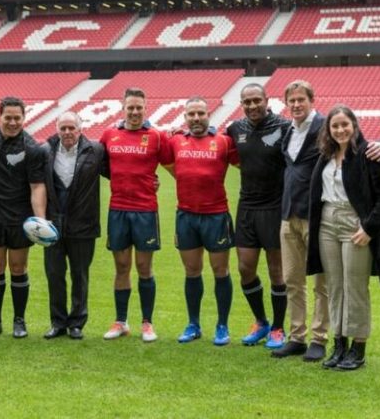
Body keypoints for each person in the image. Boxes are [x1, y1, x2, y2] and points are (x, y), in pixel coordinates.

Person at [273, 81, 380, 361]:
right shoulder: (288, 130)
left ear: (312, 100)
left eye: (302, 99)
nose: (297, 105)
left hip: (319, 217)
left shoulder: (327, 126)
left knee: (327, 283)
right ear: (286, 103)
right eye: (292, 101)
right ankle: (297, 336)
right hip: (291, 215)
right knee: (292, 280)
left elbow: (357, 144)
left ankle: (320, 338)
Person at [307, 105, 380, 371]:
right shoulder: (325, 154)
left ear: (354, 125)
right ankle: (339, 344)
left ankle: (358, 348)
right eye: (334, 126)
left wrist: (369, 228)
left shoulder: (369, 153)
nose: (340, 130)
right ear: (328, 129)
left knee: (355, 287)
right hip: (327, 222)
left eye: (344, 125)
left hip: (355, 224)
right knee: (335, 287)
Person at [164, 97, 239, 346]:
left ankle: (222, 325)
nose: (196, 118)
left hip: (216, 216)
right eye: (191, 114)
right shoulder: (175, 141)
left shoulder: (224, 142)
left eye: (200, 113)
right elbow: (161, 162)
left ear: (209, 114)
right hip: (186, 216)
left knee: (220, 271)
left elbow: (250, 165)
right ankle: (193, 324)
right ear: (185, 117)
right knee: (192, 271)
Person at [99, 87, 170, 342]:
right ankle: (121, 322)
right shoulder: (109, 135)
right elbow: (102, 166)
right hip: (117, 209)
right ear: (123, 107)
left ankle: (147, 323)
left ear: (145, 107)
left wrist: (157, 180)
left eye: (139, 107)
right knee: (121, 267)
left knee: (144, 267)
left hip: (145, 211)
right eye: (131, 107)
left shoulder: (156, 137)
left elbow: (173, 165)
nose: (135, 111)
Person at [225, 83, 289, 350]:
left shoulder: (284, 127)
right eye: (246, 102)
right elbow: (213, 146)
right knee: (245, 268)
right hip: (247, 207)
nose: (252, 106)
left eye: (256, 100)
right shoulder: (235, 129)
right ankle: (261, 321)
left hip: (275, 208)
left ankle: (278, 327)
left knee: (277, 271)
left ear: (266, 100)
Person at [0, 97, 47, 339]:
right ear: (0, 117)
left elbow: (37, 186)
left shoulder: (32, 147)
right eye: (8, 117)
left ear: (24, 118)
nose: (13, 122)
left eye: (18, 118)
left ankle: (19, 320)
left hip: (20, 219)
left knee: (18, 268)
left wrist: (40, 220)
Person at [42, 112, 106, 340]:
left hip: (83, 225)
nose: (68, 132)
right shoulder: (45, 151)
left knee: (80, 275)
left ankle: (77, 322)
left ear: (80, 129)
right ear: (57, 129)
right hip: (52, 226)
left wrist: (150, 180)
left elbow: (119, 174)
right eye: (64, 128)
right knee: (54, 275)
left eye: (72, 128)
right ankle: (57, 322)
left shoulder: (96, 151)